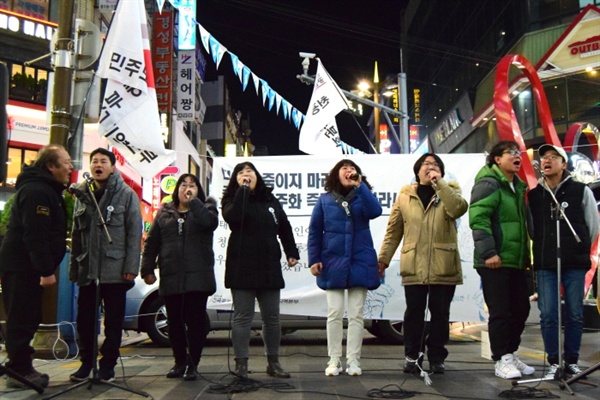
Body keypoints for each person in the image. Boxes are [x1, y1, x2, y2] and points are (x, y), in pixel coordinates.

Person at [378, 153, 468, 375]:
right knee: (414, 313)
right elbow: (393, 232)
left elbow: (458, 209)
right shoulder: (405, 197)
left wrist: (441, 185)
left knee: (440, 314)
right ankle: (412, 357)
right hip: (414, 262)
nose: (431, 167)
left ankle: (437, 357)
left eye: (435, 165)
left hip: (443, 263)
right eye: (426, 164)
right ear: (417, 171)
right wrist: (383, 260)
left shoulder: (450, 192)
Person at [0, 144, 72, 389]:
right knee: (22, 316)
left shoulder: (47, 190)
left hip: (27, 265)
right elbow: (36, 234)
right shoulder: (37, 191)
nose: (70, 167)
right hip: (23, 266)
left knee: (29, 315)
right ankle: (18, 370)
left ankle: (21, 366)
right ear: (50, 166)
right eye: (66, 162)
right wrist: (45, 269)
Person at [68, 147, 143, 383]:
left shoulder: (126, 194)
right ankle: (86, 363)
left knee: (113, 322)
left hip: (116, 269)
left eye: (103, 161)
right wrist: (74, 268)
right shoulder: (81, 195)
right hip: (88, 269)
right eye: (94, 161)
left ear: (112, 167)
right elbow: (76, 236)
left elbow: (134, 233)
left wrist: (132, 266)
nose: (98, 165)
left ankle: (108, 365)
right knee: (85, 320)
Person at [221, 161, 300, 379]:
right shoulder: (231, 200)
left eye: (250, 171)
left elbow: (284, 227)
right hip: (241, 266)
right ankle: (241, 365)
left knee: (272, 317)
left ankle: (273, 362)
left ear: (258, 176)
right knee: (242, 317)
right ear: (235, 179)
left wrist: (291, 252)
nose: (247, 174)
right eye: (241, 173)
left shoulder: (270, 201)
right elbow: (234, 217)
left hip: (268, 265)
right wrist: (243, 191)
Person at [528, 144, 599, 378]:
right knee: (548, 313)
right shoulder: (534, 195)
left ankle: (571, 361)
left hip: (575, 262)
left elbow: (593, 225)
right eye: (544, 158)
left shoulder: (581, 190)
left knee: (575, 313)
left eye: (552, 157)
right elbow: (532, 228)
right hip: (546, 262)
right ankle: (554, 362)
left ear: (564, 164)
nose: (547, 161)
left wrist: (579, 249)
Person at [141, 174, 218, 381]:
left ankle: (193, 363)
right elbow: (152, 243)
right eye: (183, 185)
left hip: (198, 277)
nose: (187, 188)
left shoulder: (207, 207)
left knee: (195, 322)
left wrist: (194, 202)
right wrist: (147, 269)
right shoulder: (165, 212)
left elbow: (209, 223)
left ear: (198, 190)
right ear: (176, 190)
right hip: (171, 275)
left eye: (192, 185)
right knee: (173, 322)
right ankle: (179, 362)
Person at [308, 159, 382, 377]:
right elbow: (314, 232)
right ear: (336, 174)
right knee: (334, 313)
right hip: (332, 262)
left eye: (353, 169)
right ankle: (334, 360)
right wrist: (314, 259)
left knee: (357, 314)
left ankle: (354, 361)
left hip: (360, 261)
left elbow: (375, 210)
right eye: (345, 168)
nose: (350, 171)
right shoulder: (324, 201)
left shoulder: (363, 196)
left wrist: (361, 186)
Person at [469, 140, 535, 380]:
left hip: (516, 260)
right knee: (501, 311)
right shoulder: (489, 183)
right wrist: (489, 253)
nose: (517, 156)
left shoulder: (517, 186)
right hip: (494, 260)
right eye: (511, 153)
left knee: (521, 309)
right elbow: (479, 219)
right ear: (497, 159)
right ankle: (501, 359)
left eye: (519, 153)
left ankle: (511, 352)